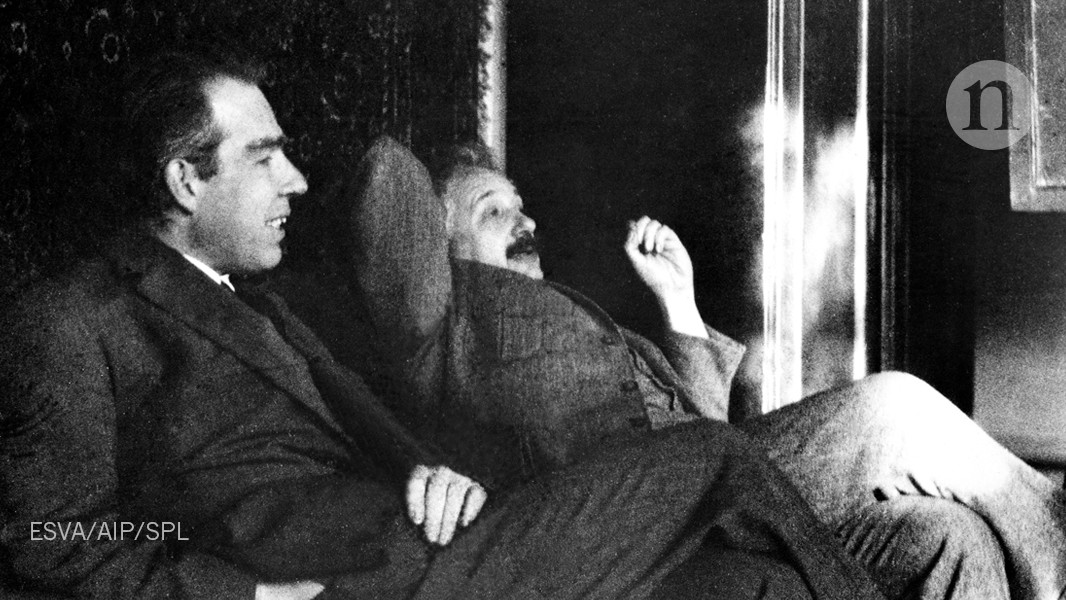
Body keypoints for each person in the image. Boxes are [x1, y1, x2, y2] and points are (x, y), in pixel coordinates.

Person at [0, 47, 888, 600]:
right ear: (186, 180)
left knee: (753, 585)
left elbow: (373, 419)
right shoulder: (70, 315)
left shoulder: (262, 300)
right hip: (361, 581)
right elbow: (51, 534)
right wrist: (242, 595)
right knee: (715, 456)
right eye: (265, 158)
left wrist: (431, 472)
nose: (296, 181)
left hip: (437, 542)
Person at [337, 135, 1066, 600]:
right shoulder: (441, 325)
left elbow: (706, 434)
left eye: (522, 206)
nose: (527, 222)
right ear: (433, 248)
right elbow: (385, 184)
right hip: (637, 524)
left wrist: (678, 305)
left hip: (719, 498)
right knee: (893, 409)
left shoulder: (590, 320)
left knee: (946, 536)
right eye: (493, 212)